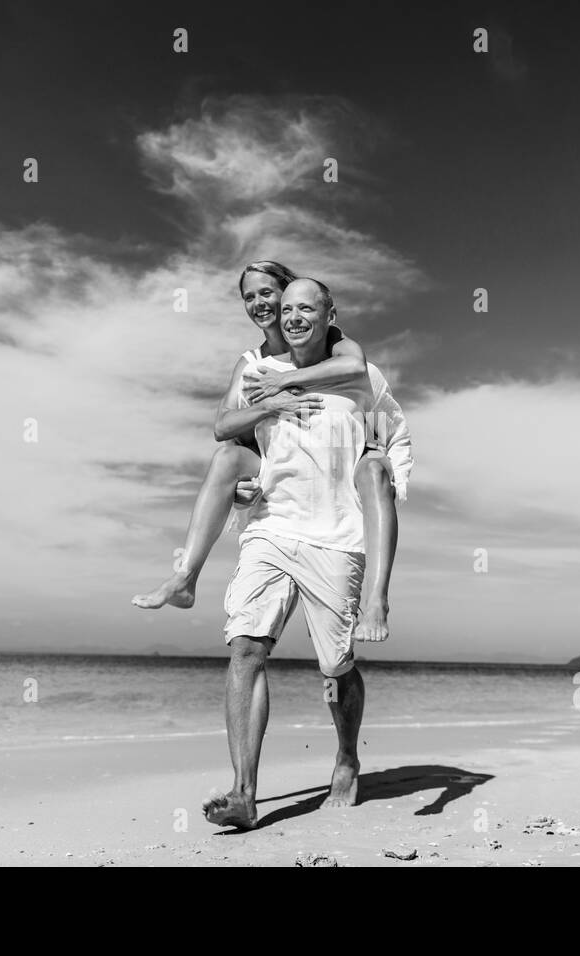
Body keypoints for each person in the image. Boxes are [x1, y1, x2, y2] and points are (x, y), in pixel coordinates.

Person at [202, 277, 408, 829]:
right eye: (285, 309)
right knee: (246, 646)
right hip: (271, 529)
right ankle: (244, 794)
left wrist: (389, 480)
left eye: (305, 308)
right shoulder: (258, 377)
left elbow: (395, 439)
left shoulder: (361, 376)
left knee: (336, 666)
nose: (292, 317)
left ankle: (346, 756)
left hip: (336, 536)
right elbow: (236, 443)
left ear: (329, 313)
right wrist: (247, 491)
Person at [131, 261, 410, 642]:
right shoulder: (251, 364)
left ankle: (376, 602)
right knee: (228, 460)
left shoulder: (340, 349)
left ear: (292, 294)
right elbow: (224, 429)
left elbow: (374, 401)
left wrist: (373, 449)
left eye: (268, 293)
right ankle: (185, 577)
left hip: (335, 503)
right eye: (249, 296)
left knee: (335, 664)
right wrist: (268, 408)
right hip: (274, 494)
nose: (260, 304)